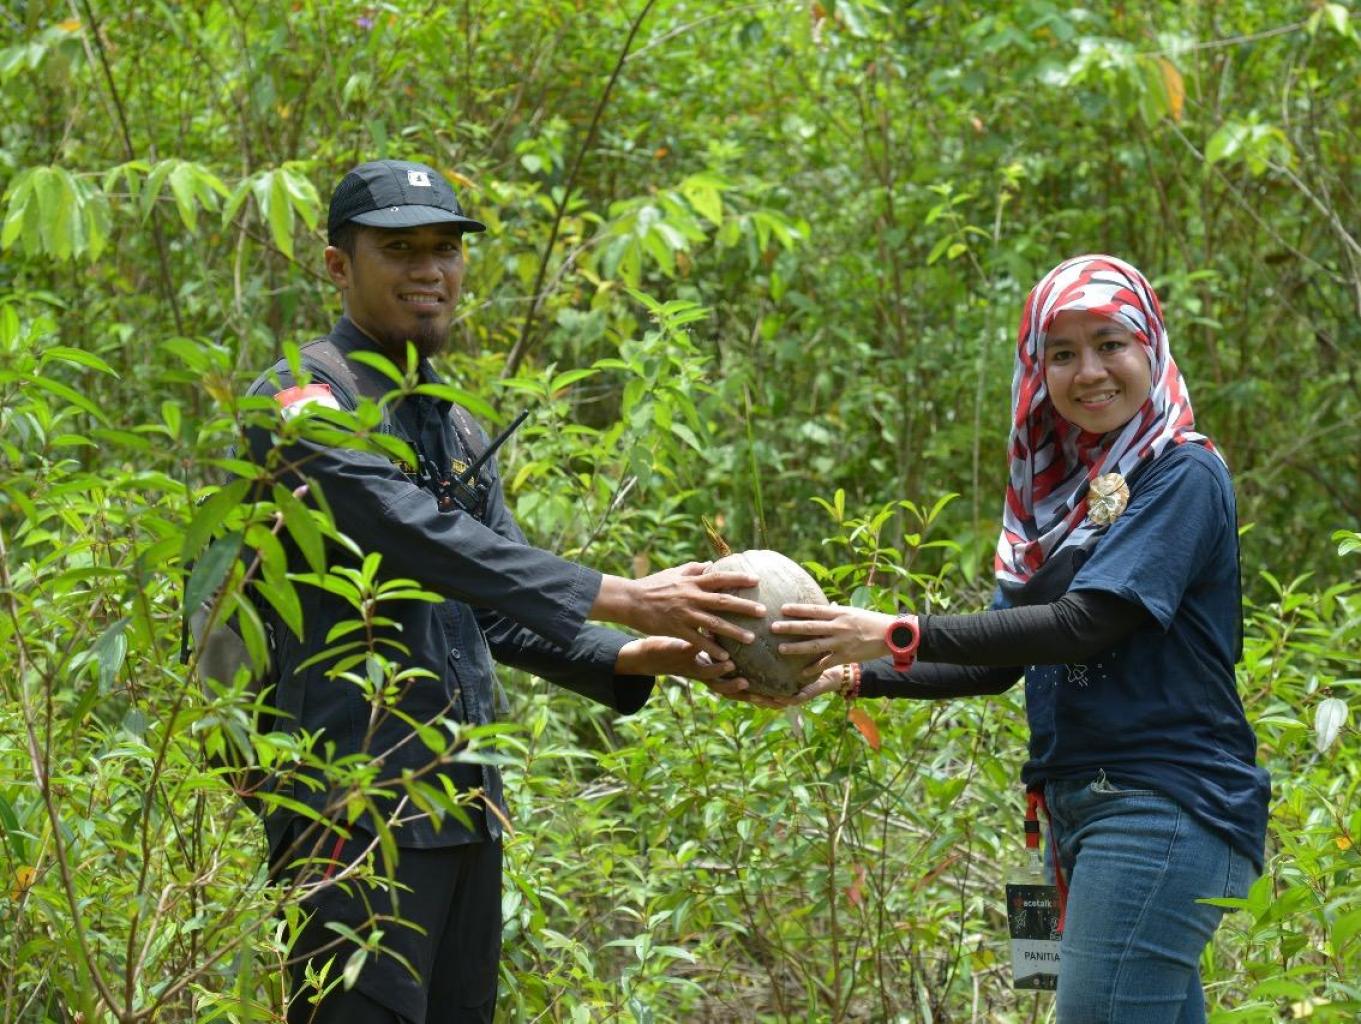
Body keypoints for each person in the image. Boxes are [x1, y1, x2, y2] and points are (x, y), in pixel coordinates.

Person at [241, 159, 765, 1024]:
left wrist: (642, 653)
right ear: (338, 265)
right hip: (351, 805)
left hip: (462, 805)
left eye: (445, 249)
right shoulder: (302, 398)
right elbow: (408, 530)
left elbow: (493, 605)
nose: (429, 270)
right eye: (399, 249)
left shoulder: (452, 424)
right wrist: (626, 594)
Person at [770, 254, 1270, 1023]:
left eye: (1110, 344)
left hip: (1162, 807)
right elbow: (998, 664)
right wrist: (852, 671)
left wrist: (892, 630)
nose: (1088, 371)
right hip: (1075, 810)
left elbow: (1083, 625)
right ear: (1037, 370)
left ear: (1150, 346)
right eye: (1061, 353)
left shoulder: (1182, 475)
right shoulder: (1056, 503)